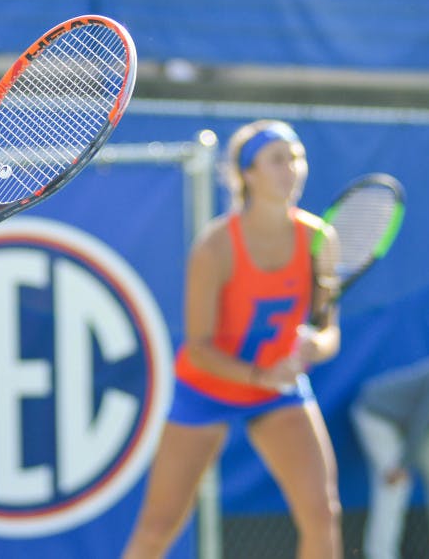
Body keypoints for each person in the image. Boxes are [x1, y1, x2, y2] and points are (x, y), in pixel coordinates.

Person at [121, 119, 343, 559]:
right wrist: (261, 375)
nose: (291, 169)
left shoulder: (320, 239)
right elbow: (199, 349)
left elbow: (328, 330)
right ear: (248, 174)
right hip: (206, 391)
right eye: (277, 159)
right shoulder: (215, 247)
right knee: (157, 529)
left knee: (323, 515)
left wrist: (315, 347)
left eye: (296, 158)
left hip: (279, 392)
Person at [351, 356, 429, 559]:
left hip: (412, 424)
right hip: (377, 415)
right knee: (396, 485)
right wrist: (402, 465)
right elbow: (422, 418)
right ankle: (380, 555)